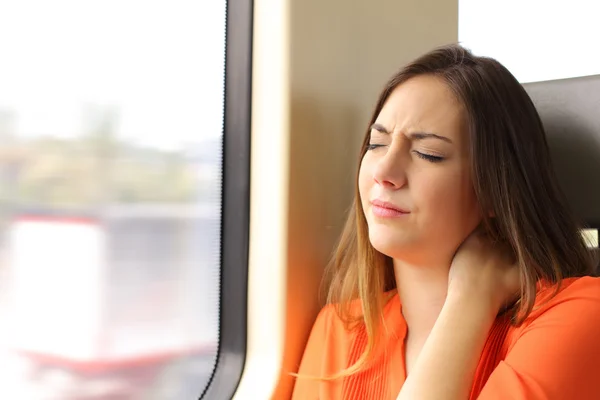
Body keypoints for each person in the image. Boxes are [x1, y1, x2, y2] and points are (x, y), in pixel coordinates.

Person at [291, 44, 600, 400]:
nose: (384, 172)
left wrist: (470, 298)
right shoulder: (340, 330)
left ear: (493, 189)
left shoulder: (578, 319)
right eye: (377, 144)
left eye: (429, 154)